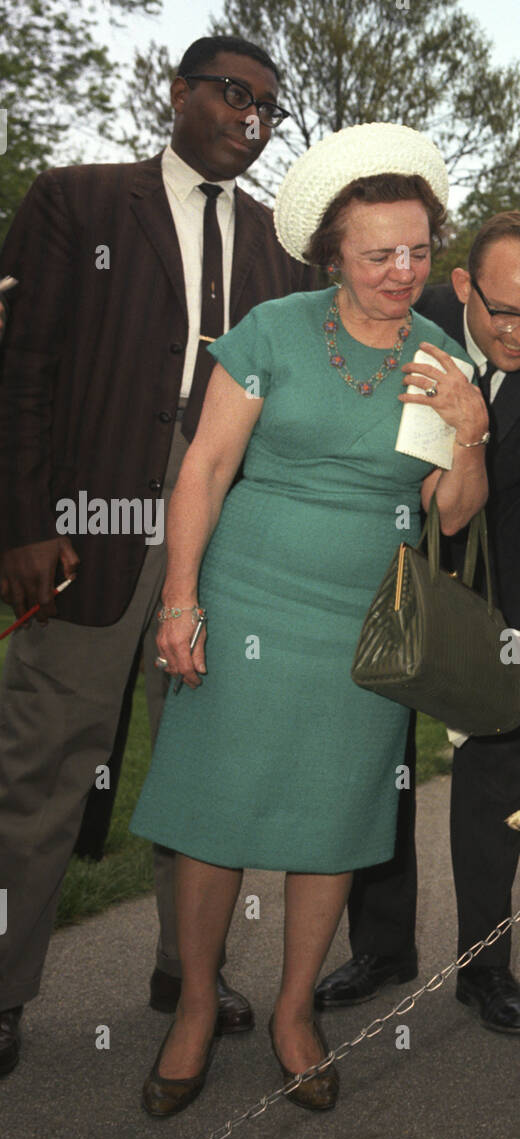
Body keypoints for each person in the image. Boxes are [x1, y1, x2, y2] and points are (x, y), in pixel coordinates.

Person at [128, 122, 488, 1115]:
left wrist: (470, 431)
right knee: (211, 817)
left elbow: (450, 517)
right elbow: (203, 469)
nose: (403, 271)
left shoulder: (439, 356)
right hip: (244, 600)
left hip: (365, 628)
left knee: (332, 823)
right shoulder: (272, 333)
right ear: (332, 251)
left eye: (418, 250)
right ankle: (196, 1005)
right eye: (379, 254)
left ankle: (295, 1009)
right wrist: (181, 599)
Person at [0, 35, 317, 1081]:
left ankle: (185, 972)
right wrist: (22, 522)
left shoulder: (282, 247)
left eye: (268, 106)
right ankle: (6, 988)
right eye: (233, 94)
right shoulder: (79, 204)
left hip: (220, 551)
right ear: (177, 93)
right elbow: (25, 370)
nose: (251, 116)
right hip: (85, 538)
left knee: (201, 776)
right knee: (42, 765)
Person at [314, 211, 520, 1033]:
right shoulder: (410, 327)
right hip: (387, 559)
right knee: (379, 760)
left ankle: (485, 965)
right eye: (504, 313)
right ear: (463, 287)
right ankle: (381, 948)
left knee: (491, 764)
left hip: (503, 576)